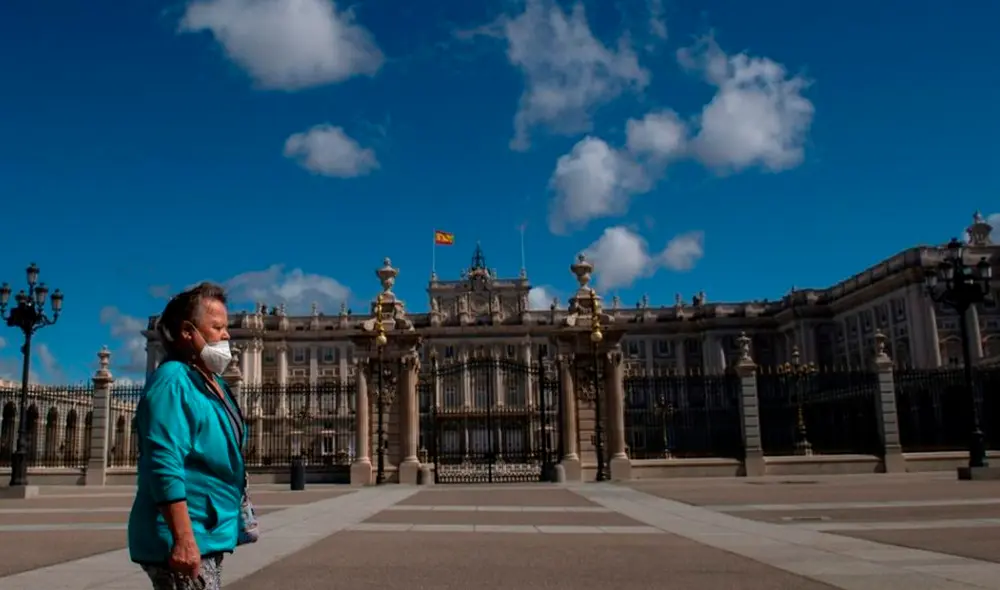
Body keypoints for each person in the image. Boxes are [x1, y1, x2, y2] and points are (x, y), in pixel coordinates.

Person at [128, 282, 246, 590]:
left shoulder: (206, 381)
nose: (227, 335)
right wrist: (183, 539)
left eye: (226, 327)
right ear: (186, 331)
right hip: (185, 536)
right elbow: (164, 462)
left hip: (204, 531)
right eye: (217, 327)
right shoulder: (172, 383)